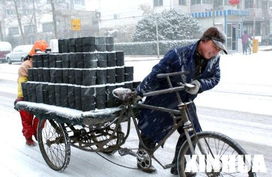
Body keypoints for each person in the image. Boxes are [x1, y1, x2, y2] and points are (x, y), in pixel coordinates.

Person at [136, 27, 227, 174]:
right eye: (214, 47)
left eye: (219, 49)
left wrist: (199, 85)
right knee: (151, 130)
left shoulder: (214, 59)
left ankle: (180, 166)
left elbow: (215, 78)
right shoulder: (178, 55)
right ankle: (143, 159)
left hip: (186, 101)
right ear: (204, 41)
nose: (216, 52)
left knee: (191, 133)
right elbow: (155, 74)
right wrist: (139, 92)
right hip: (163, 98)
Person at [14, 40, 48, 146]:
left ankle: (37, 132)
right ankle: (28, 138)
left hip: (39, 96)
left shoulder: (45, 64)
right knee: (26, 120)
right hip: (26, 96)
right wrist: (20, 96)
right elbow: (21, 83)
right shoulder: (26, 66)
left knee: (41, 117)